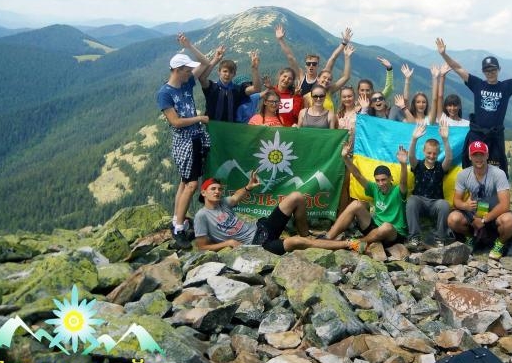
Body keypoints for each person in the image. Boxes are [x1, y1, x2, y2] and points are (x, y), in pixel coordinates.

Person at [436, 38, 512, 174]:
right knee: (472, 167)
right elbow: (457, 68)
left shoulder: (506, 87)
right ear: (483, 72)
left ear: (498, 69)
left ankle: (493, 193)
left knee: (496, 171)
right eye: (487, 70)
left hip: (495, 136)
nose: (490, 73)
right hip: (477, 133)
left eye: (493, 70)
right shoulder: (477, 84)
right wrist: (443, 54)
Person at [194, 175, 360, 254]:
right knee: (297, 242)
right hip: (258, 245)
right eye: (213, 189)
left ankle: (307, 234)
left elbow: (237, 196)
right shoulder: (202, 216)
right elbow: (201, 246)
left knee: (296, 197)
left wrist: (248, 187)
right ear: (203, 193)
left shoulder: (223, 202)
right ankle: (349, 244)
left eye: (219, 189)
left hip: (262, 227)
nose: (217, 192)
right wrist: (227, 243)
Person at [156, 33, 214, 248]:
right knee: (191, 185)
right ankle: (179, 228)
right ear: (177, 71)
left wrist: (189, 46)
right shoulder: (164, 93)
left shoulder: (186, 83)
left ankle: (176, 220)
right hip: (185, 142)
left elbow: (206, 62)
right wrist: (200, 118)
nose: (190, 72)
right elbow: (176, 122)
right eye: (187, 70)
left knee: (184, 181)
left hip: (195, 138)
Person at [322, 142, 409, 251]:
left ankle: (359, 242)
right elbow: (357, 175)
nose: (381, 183)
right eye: (378, 180)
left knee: (386, 226)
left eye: (384, 180)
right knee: (356, 204)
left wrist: (404, 164)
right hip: (375, 227)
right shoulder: (374, 188)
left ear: (391, 178)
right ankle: (327, 237)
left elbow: (404, 182)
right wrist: (345, 157)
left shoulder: (398, 191)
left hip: (393, 234)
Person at [447, 140, 512, 260]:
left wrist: (484, 220)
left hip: (494, 215)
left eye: (481, 154)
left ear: (487, 155)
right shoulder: (463, 175)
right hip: (474, 215)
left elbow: (505, 205)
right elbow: (456, 201)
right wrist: (466, 207)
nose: (478, 158)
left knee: (510, 221)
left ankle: (499, 244)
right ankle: (470, 238)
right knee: (453, 219)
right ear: (470, 156)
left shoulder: (498, 174)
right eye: (475, 155)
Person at [405, 119, 452, 250]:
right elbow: (411, 157)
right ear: (424, 151)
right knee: (411, 201)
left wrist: (445, 140)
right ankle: (414, 237)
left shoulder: (440, 167)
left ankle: (440, 239)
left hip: (435, 203)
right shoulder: (418, 165)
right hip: (419, 200)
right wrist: (414, 139)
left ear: (438, 154)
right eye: (429, 153)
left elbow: (449, 159)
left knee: (444, 204)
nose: (431, 156)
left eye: (434, 153)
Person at [276, 24, 353, 95]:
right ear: (305, 66)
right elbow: (290, 58)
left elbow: (333, 58)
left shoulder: (322, 78)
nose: (311, 66)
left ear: (318, 65)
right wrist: (281, 40)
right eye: (308, 64)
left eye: (314, 64)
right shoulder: (301, 77)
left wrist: (344, 43)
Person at [200, 47, 261, 122]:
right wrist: (216, 59)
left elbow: (256, 89)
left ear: (234, 74)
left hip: (231, 129)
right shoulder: (212, 87)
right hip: (212, 128)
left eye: (231, 72)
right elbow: (202, 78)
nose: (227, 74)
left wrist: (255, 69)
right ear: (219, 72)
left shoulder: (238, 90)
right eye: (225, 71)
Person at [302, 44, 355, 111]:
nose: (326, 80)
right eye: (324, 77)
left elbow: (346, 77)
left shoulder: (329, 91)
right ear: (318, 78)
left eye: (329, 79)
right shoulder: (306, 97)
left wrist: (347, 57)